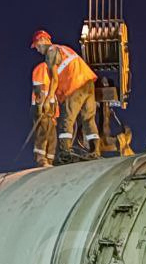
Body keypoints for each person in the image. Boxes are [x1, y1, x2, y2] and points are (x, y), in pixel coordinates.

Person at [31, 30, 99, 162]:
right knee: (88, 119)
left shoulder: (51, 52)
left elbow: (55, 79)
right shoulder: (64, 48)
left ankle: (65, 153)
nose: (38, 50)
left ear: (42, 41)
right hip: (88, 83)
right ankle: (95, 151)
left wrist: (48, 99)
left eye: (37, 46)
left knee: (65, 120)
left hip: (74, 86)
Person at [30, 61, 58, 167]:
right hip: (42, 107)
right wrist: (40, 107)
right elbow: (39, 91)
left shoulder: (56, 72)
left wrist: (55, 114)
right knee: (43, 131)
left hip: (51, 108)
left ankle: (50, 160)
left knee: (52, 136)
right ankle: (41, 158)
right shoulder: (42, 68)